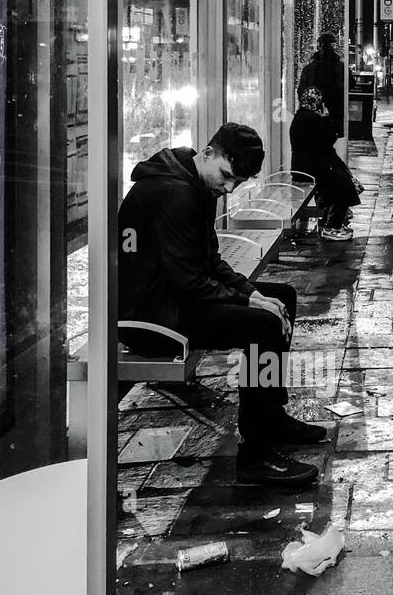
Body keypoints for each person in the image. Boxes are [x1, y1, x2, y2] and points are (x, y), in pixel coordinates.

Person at [118, 122, 326, 488]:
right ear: (209, 153)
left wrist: (253, 293)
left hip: (174, 301)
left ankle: (270, 416)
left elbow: (210, 263)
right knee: (261, 325)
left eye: (237, 183)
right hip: (154, 320)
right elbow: (191, 283)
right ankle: (255, 455)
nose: (228, 188)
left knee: (282, 298)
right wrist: (248, 300)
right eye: (227, 177)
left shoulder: (190, 181)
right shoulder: (173, 193)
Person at [290, 88, 359, 242]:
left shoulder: (302, 116)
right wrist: (326, 117)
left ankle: (334, 220)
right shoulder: (310, 119)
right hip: (310, 169)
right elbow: (328, 137)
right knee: (342, 184)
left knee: (342, 178)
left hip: (309, 166)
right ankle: (331, 226)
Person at [297, 32, 345, 136]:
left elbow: (301, 91)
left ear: (319, 46)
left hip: (314, 115)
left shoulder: (309, 68)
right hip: (335, 115)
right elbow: (350, 85)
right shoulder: (341, 67)